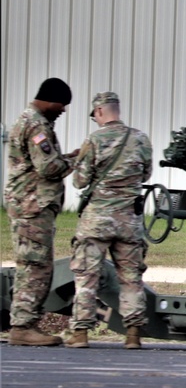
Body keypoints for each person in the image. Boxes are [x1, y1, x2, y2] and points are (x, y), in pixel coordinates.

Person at [66, 92, 152, 349]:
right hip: (128, 221)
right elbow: (145, 174)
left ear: (100, 112)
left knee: (86, 276)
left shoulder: (93, 140)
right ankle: (133, 334)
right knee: (131, 278)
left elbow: (79, 181)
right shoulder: (140, 139)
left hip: (97, 221)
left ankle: (81, 334)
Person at [4, 78, 79, 346]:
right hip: (32, 207)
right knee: (35, 267)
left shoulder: (32, 121)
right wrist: (76, 159)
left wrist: (67, 157)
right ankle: (23, 327)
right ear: (50, 100)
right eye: (62, 105)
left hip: (29, 205)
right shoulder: (36, 125)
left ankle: (24, 325)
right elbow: (48, 169)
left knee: (33, 264)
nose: (63, 110)